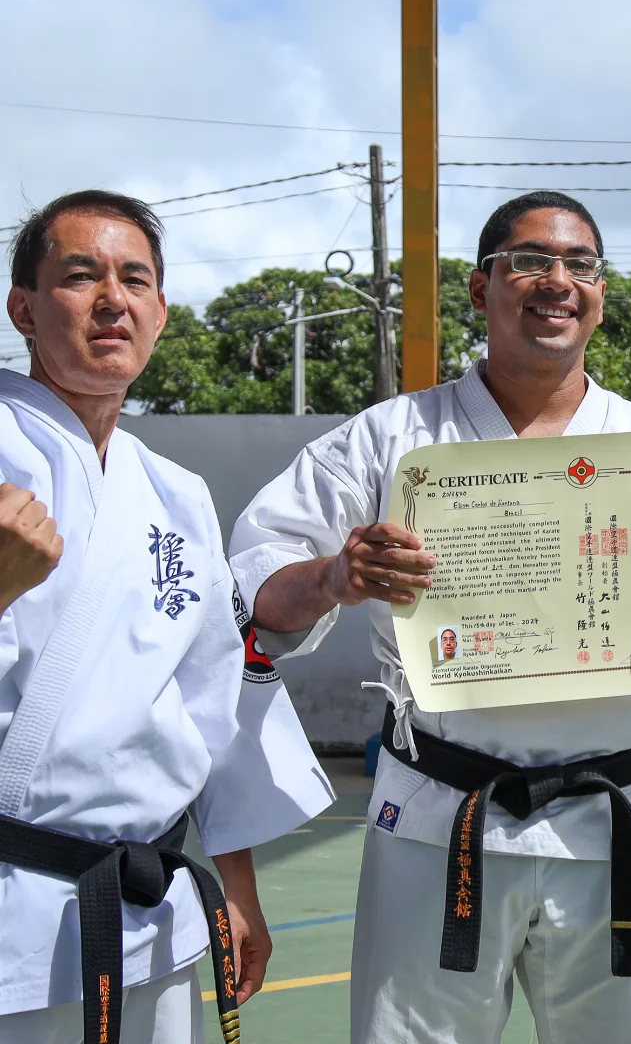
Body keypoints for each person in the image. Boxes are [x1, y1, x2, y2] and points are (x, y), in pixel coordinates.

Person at [229, 192, 631, 1043]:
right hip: (440, 821)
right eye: (528, 262)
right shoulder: (387, 438)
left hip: (613, 823)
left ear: (599, 290)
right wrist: (337, 574)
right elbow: (256, 582)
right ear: (481, 290)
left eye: (579, 265)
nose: (556, 281)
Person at [0, 190, 335, 1044]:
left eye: (135, 279)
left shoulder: (176, 494)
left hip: (156, 910)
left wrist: (238, 893)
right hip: (11, 903)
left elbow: (219, 702)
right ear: (24, 309)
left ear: (159, 311)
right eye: (80, 276)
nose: (113, 298)